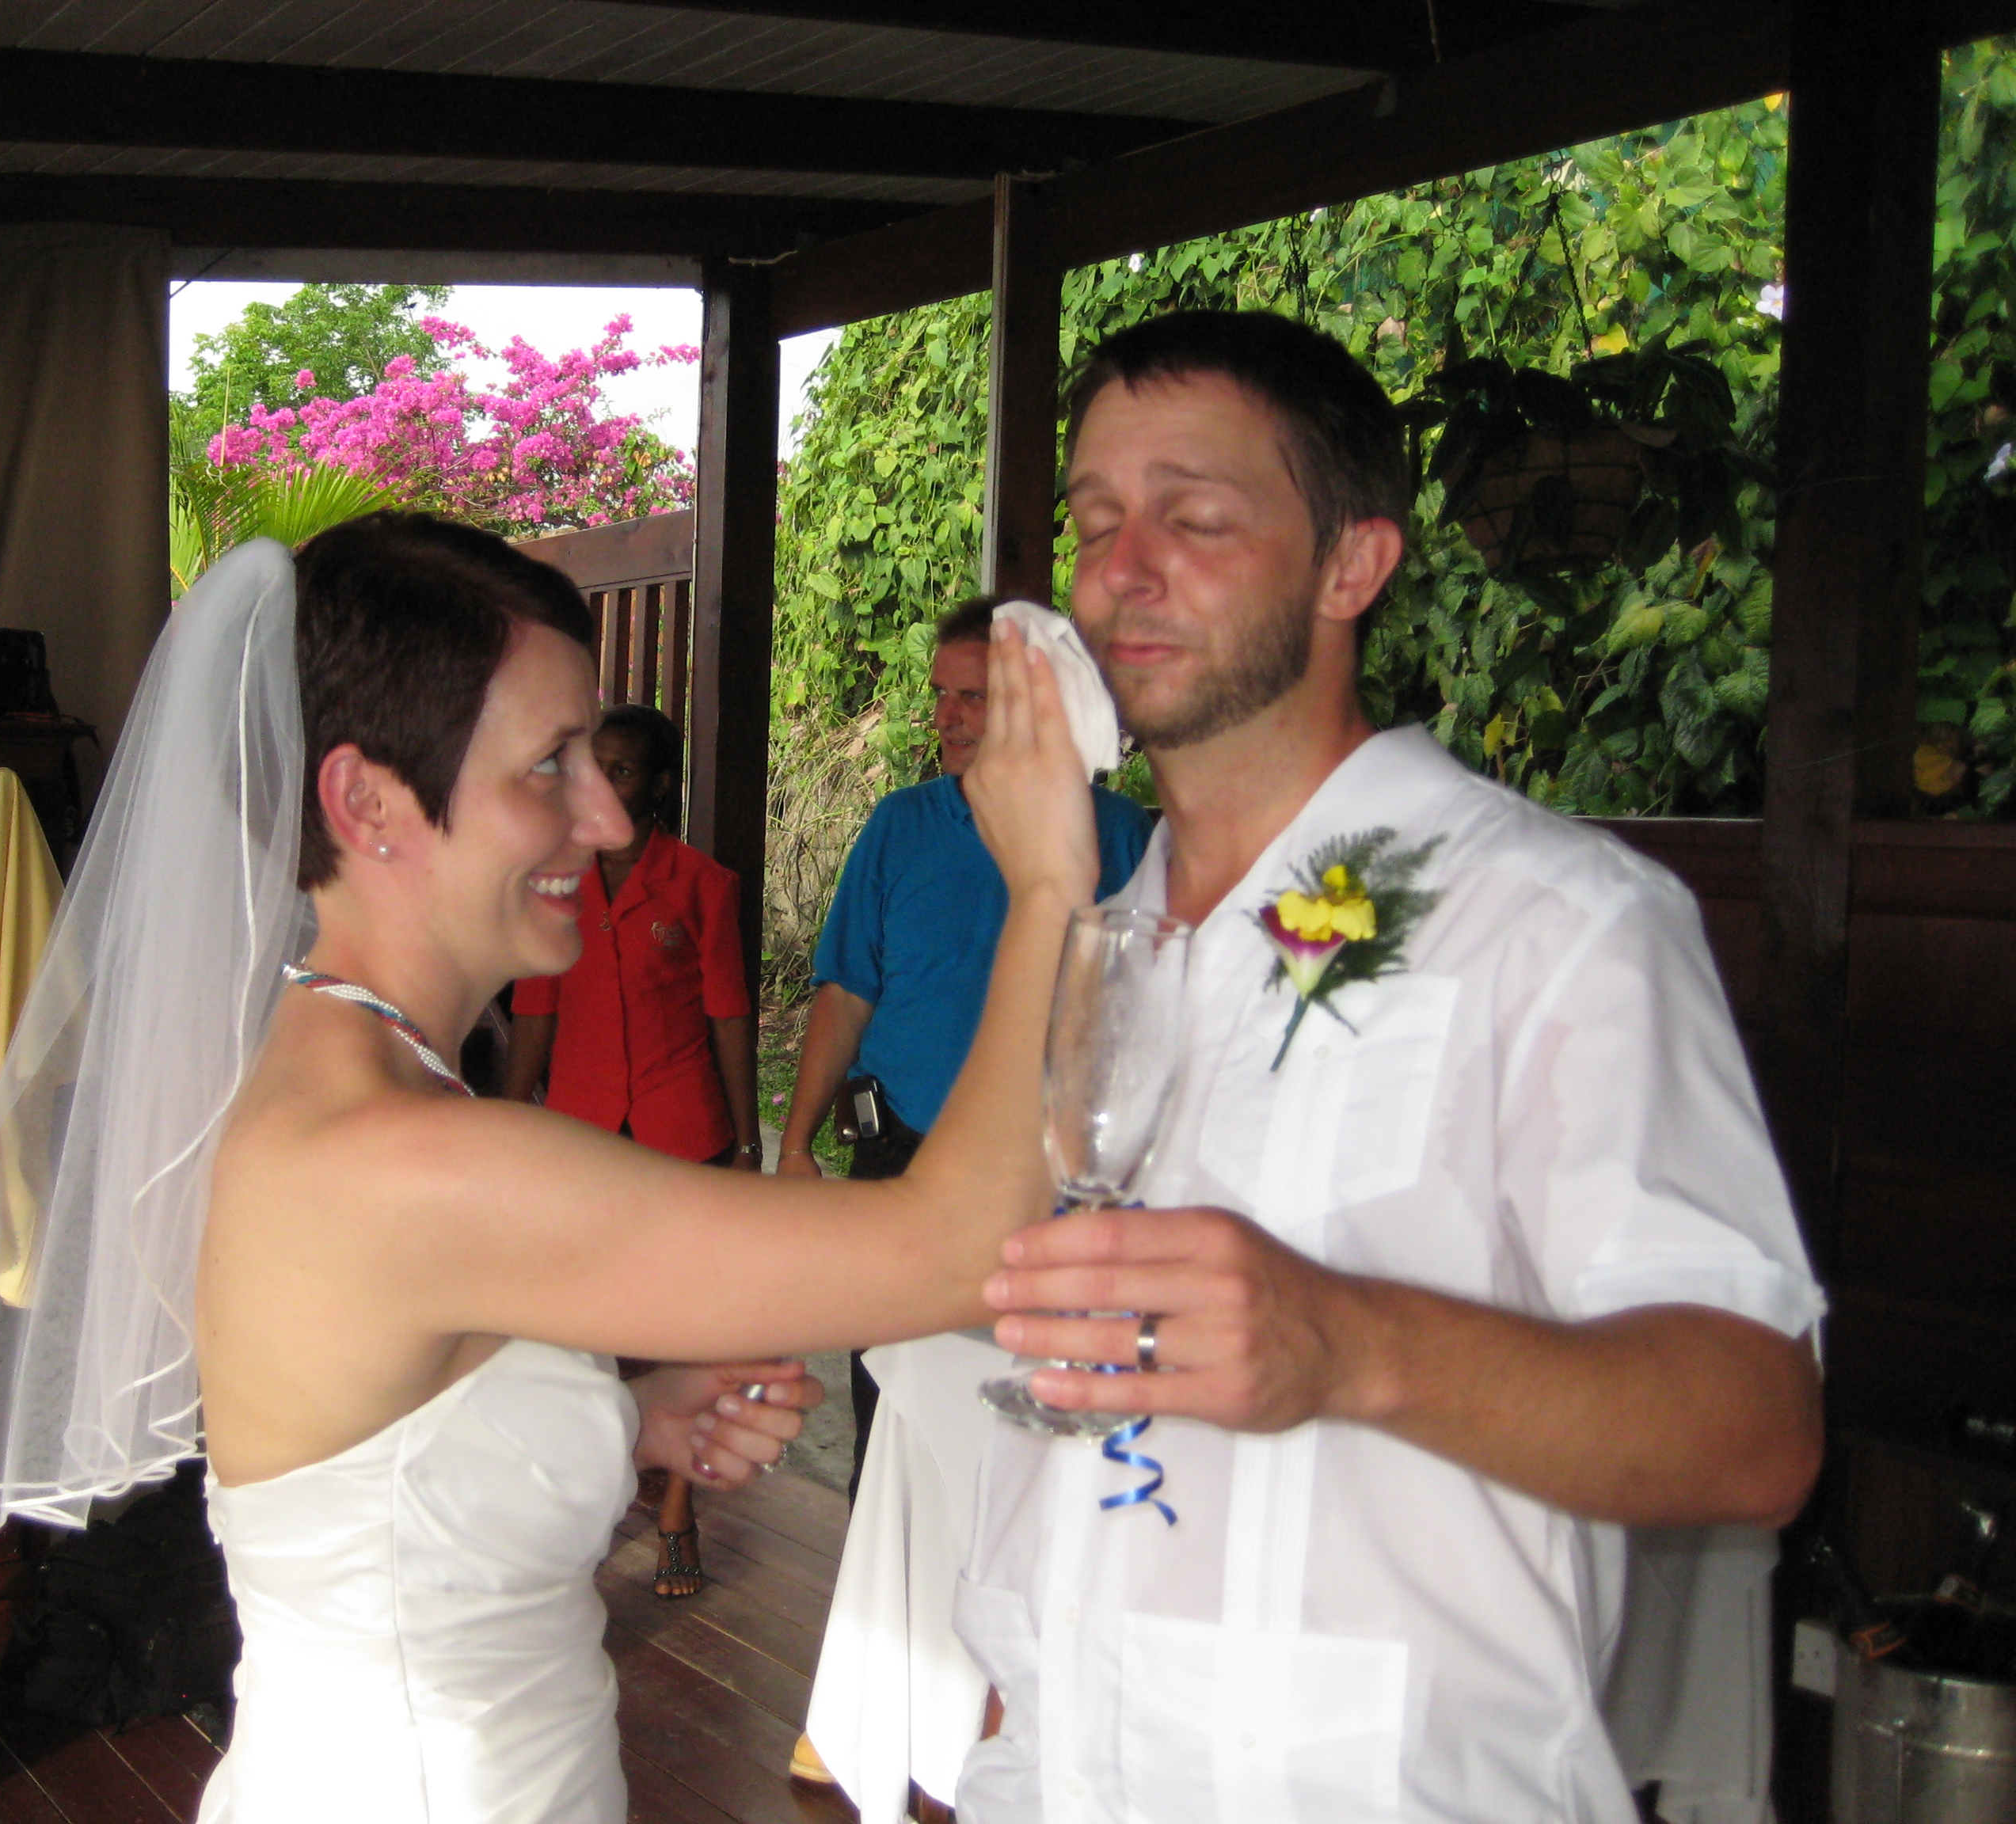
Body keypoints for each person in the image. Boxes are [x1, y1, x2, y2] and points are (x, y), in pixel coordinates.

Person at [0, 514, 1099, 1824]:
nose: (607, 816)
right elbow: (960, 1245)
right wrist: (1048, 886)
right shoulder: (412, 1161)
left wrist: (629, 1417)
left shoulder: (345, 1083)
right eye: (550, 765)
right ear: (366, 803)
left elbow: (385, 1459)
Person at [959, 311, 1826, 1822]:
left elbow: (1751, 1424)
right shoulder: (1087, 935)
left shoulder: (1554, 919)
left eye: (1193, 518)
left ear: (1352, 566)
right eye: (1094, 521)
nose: (1119, 571)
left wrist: (1350, 1339)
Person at [777, 598, 1152, 1489]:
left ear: (1035, 705)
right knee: (892, 1424)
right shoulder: (900, 826)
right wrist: (794, 1145)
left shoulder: (1124, 836)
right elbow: (846, 991)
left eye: (973, 697)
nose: (946, 717)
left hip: (1052, 1177)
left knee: (1037, 1422)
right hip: (900, 1152)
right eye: (941, 694)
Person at [503, 700, 761, 1598]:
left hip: (679, 1133)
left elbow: (729, 1015)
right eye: (595, 767)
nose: (604, 784)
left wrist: (747, 1142)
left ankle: (678, 1510)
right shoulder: (554, 880)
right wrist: (507, 1122)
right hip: (582, 1137)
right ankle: (585, 1511)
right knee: (584, 1335)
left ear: (658, 785)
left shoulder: (701, 884)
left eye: (622, 770)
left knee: (686, 1329)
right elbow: (535, 1012)